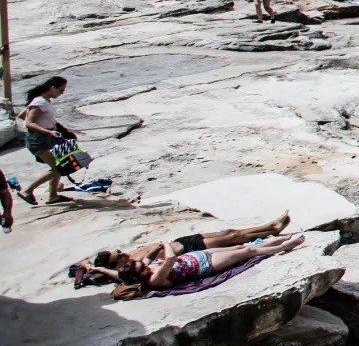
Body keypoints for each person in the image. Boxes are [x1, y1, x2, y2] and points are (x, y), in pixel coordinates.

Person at [73, 213, 292, 288]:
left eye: (118, 251)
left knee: (231, 232)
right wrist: (95, 270)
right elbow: (118, 276)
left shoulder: (134, 260)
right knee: (234, 239)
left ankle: (269, 227)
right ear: (116, 264)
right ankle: (271, 230)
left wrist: (90, 265)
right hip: (185, 251)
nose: (122, 253)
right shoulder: (134, 267)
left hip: (184, 243)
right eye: (118, 256)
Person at [107, 233, 306, 299]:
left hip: (197, 256)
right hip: (205, 266)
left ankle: (279, 240)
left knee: (241, 246)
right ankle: (284, 246)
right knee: (248, 253)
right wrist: (166, 245)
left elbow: (148, 258)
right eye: (139, 267)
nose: (143, 265)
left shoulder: (145, 269)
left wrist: (151, 250)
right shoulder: (155, 278)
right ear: (139, 275)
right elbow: (169, 260)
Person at [19, 76, 75, 206]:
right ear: (52, 88)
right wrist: (48, 131)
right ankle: (27, 191)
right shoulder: (40, 102)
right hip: (39, 140)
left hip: (48, 137)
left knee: (58, 164)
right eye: (61, 90)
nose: (62, 93)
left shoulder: (44, 101)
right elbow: (28, 123)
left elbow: (22, 115)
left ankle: (53, 195)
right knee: (59, 167)